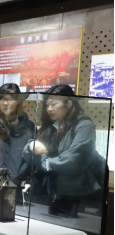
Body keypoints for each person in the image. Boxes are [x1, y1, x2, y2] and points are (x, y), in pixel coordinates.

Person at [23, 84, 103, 217]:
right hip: (48, 191)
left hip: (73, 193)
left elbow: (74, 160)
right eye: (47, 105)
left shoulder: (84, 125)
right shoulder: (50, 126)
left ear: (69, 104)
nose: (49, 109)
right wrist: (32, 144)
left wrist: (44, 162)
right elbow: (27, 153)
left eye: (54, 104)